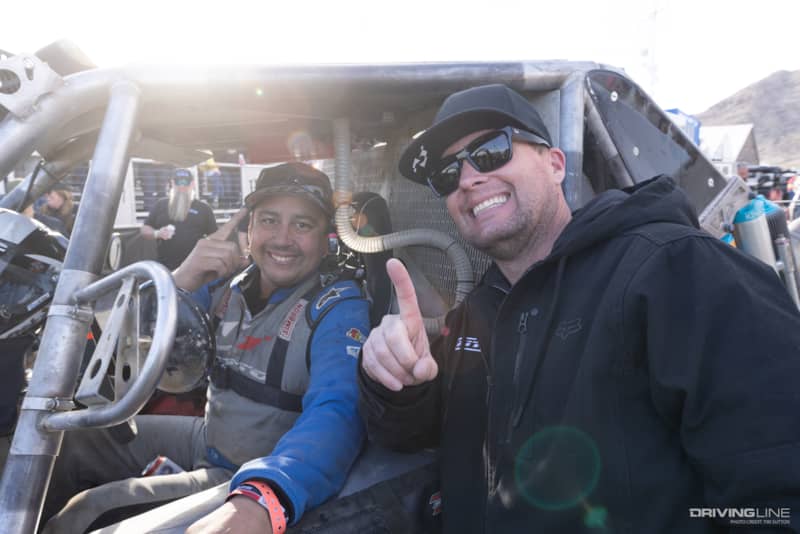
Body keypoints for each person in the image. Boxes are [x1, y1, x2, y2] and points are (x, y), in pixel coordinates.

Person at [358, 84, 800, 533]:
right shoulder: (477, 312)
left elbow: (777, 498)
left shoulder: (676, 271)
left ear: (554, 165)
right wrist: (395, 381)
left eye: (491, 151)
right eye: (447, 174)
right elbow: (415, 437)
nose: (468, 179)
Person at [43, 162, 370, 534]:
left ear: (326, 235)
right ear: (249, 228)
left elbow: (338, 412)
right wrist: (180, 278)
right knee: (74, 442)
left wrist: (266, 494)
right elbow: (128, 352)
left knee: (87, 512)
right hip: (207, 437)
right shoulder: (226, 284)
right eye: (268, 220)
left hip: (252, 471)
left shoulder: (338, 308)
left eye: (302, 224)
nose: (282, 238)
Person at [141, 168, 218, 270]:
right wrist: (157, 233)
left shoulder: (203, 208)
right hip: (165, 266)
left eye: (185, 182)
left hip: (195, 267)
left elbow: (215, 236)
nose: (182, 186)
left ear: (192, 184)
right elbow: (145, 228)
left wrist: (205, 245)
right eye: (178, 182)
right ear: (172, 183)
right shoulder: (161, 204)